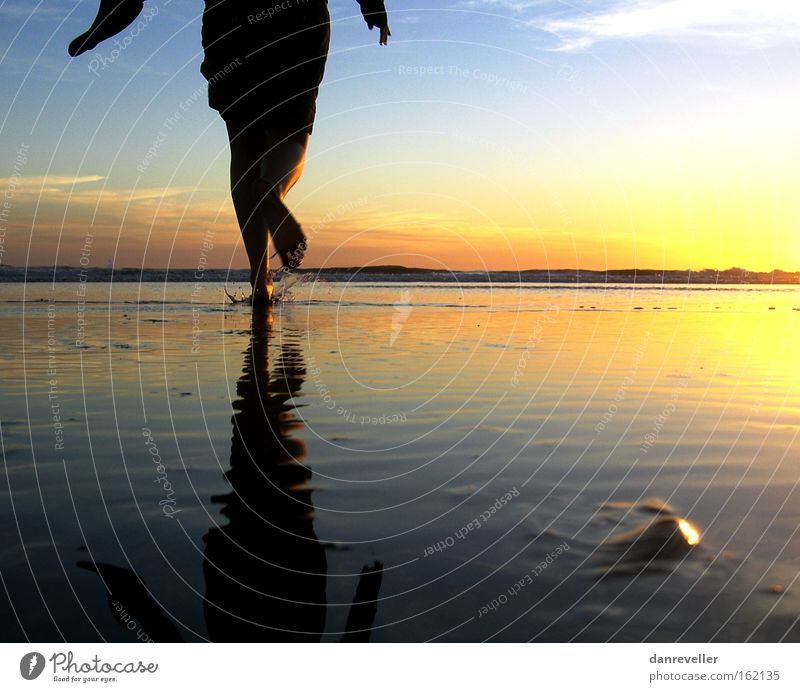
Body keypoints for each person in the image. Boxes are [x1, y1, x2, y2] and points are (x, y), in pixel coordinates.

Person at [69, 0, 390, 304]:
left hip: (230, 23)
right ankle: (272, 191)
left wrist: (105, 21)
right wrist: (372, 5)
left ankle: (260, 279)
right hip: (298, 19)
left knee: (243, 145)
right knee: (291, 133)